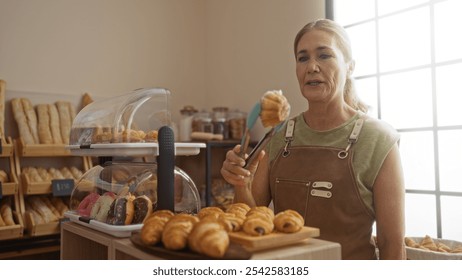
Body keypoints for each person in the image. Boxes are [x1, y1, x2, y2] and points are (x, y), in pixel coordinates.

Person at [220, 19, 405, 260]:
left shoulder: (378, 139)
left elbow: (392, 244)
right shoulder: (278, 134)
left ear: (349, 67)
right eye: (302, 58)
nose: (312, 67)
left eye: (324, 56)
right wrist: (240, 182)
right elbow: (251, 221)